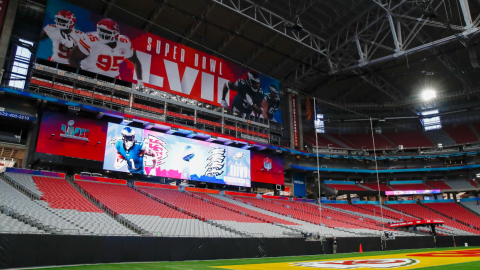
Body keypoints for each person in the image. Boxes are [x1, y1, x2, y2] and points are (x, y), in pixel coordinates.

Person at [69, 18, 143, 84]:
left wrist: (140, 82)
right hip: (91, 76)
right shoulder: (91, 40)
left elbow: (135, 60)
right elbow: (73, 58)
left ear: (116, 35)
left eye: (106, 32)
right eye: (101, 30)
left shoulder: (124, 42)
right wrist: (82, 76)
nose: (102, 34)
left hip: (113, 80)